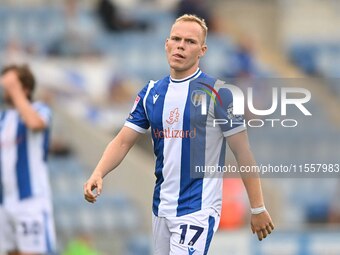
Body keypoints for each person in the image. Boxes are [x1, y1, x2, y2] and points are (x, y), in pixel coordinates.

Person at [84, 14, 274, 254]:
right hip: (161, 208)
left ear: (202, 50)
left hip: (198, 208)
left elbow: (243, 152)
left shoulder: (219, 94)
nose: (181, 45)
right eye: (176, 39)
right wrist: (99, 172)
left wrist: (257, 207)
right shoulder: (151, 92)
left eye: (190, 41)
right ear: (167, 44)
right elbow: (123, 141)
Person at [0, 65, 56, 255]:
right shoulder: (3, 118)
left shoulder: (40, 109)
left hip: (31, 201)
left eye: (12, 84)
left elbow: (35, 124)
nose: (6, 88)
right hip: (5, 201)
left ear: (25, 88)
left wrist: (16, 92)